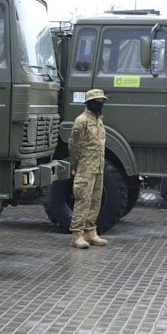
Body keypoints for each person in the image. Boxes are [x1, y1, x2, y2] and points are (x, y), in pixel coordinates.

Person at [68, 89, 109, 249]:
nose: (101, 104)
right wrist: (75, 165)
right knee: (83, 200)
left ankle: (90, 232)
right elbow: (74, 145)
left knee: (95, 200)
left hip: (98, 168)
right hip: (85, 168)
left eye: (102, 102)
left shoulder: (99, 120)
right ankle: (77, 234)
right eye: (98, 102)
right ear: (90, 102)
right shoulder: (81, 121)